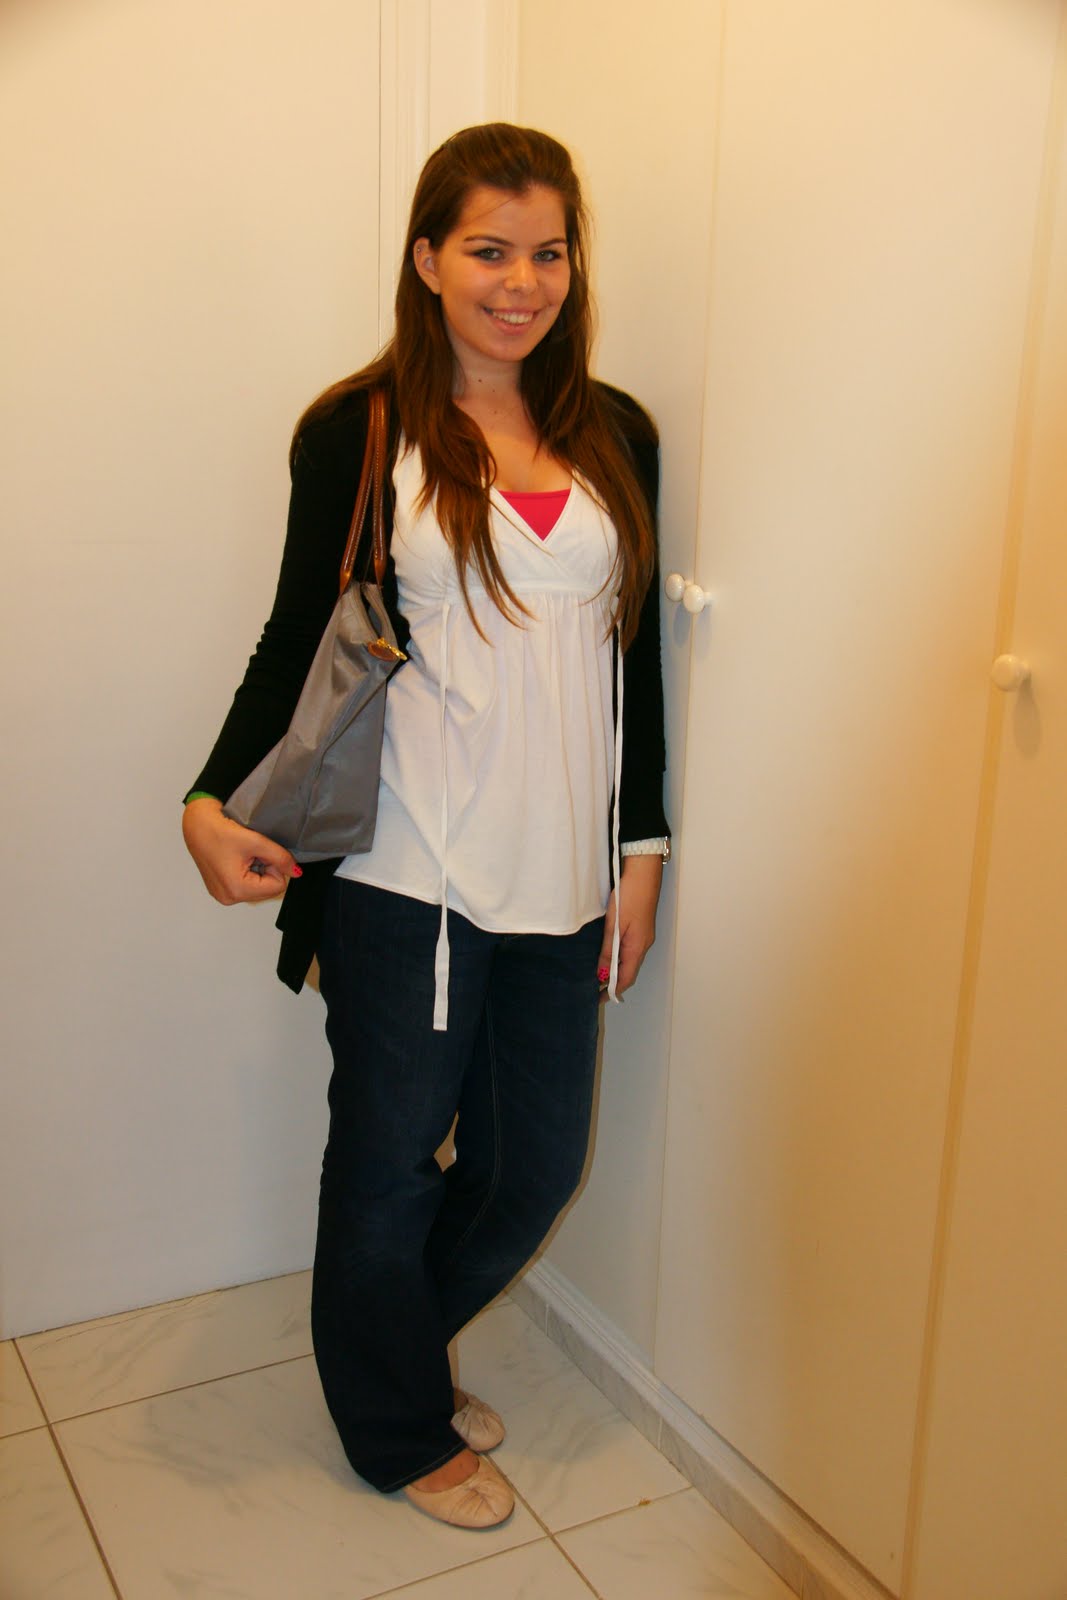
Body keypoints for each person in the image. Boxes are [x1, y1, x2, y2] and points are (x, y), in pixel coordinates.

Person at [181, 122, 669, 1529]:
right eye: (489, 250)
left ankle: (385, 1349)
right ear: (427, 258)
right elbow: (299, 632)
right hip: (409, 874)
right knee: (390, 1172)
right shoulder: (363, 429)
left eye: (548, 253)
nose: (522, 283)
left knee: (532, 1168)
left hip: (563, 875)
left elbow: (634, 659)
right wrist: (208, 796)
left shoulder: (616, 432)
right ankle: (394, 1430)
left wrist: (642, 850)